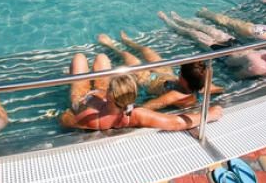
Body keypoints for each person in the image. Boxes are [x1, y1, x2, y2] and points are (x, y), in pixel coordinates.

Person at [59, 53, 223, 131]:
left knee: (79, 58)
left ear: (110, 93)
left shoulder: (93, 119)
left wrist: (76, 106)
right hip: (102, 93)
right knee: (101, 58)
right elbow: (176, 122)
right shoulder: (134, 114)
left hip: (82, 96)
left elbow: (65, 119)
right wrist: (210, 114)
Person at [97, 32, 223, 110]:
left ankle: (111, 46)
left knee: (128, 56)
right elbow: (220, 89)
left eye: (180, 73)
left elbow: (145, 107)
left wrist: (126, 107)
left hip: (147, 79)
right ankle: (128, 41)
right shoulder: (203, 87)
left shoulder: (174, 95)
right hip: (166, 75)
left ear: (183, 79)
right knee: (147, 50)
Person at [195, 8, 266, 77]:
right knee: (211, 30)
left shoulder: (259, 67)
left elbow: (237, 76)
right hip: (237, 46)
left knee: (196, 35)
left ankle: (183, 25)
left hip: (224, 55)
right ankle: (191, 17)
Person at [158, 11, 235, 50]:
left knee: (192, 32)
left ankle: (166, 19)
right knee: (209, 29)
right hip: (232, 42)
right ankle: (180, 20)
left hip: (221, 50)